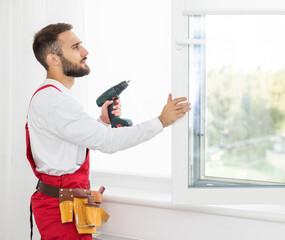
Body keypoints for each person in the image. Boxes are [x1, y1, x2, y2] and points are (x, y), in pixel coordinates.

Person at [26, 23, 191, 239]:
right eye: (75, 47)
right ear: (53, 59)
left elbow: (69, 146)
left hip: (69, 204)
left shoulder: (56, 97)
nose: (85, 52)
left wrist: (102, 122)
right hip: (62, 209)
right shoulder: (53, 100)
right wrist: (161, 121)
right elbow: (108, 142)